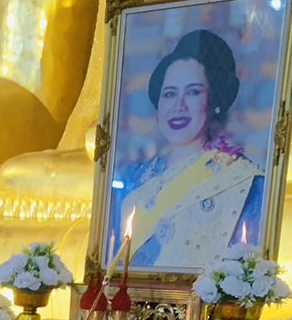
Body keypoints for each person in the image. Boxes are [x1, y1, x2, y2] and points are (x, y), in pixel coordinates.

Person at [113, 29, 265, 271]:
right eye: (169, 94)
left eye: (193, 92)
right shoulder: (132, 179)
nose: (178, 106)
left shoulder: (244, 181)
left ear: (213, 101)